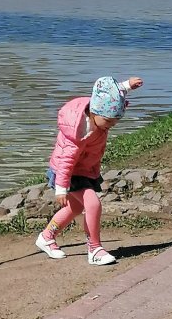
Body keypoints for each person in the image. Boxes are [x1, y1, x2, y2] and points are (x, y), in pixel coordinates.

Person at [35, 75, 144, 265]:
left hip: (83, 169)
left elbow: (111, 91)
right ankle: (94, 249)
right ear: (94, 112)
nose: (111, 126)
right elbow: (66, 161)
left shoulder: (101, 110)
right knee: (92, 204)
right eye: (109, 121)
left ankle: (46, 237)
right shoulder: (78, 132)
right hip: (67, 173)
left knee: (75, 207)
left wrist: (127, 85)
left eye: (115, 122)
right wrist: (61, 188)